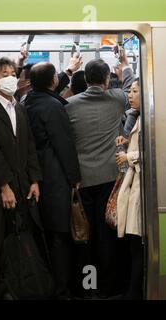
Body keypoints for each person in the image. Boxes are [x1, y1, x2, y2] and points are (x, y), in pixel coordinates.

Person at [65, 47, 135, 298]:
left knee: (84, 234)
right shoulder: (116, 99)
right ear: (106, 79)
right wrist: (125, 63)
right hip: (109, 178)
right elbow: (132, 87)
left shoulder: (69, 105)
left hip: (81, 180)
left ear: (85, 79)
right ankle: (107, 286)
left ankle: (86, 286)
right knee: (107, 234)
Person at [0, 57, 42, 299]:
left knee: (19, 240)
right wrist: (3, 186)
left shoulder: (20, 108)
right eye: (5, 73)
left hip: (22, 186)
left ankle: (16, 286)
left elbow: (29, 146)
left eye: (13, 72)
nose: (11, 77)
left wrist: (34, 179)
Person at [24, 62, 81, 299]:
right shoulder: (53, 107)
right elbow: (63, 144)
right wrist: (74, 177)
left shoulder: (25, 102)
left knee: (42, 233)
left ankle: (43, 283)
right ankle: (61, 289)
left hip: (32, 176)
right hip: (54, 176)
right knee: (59, 234)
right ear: (54, 81)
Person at [115, 79, 144, 300]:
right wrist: (125, 146)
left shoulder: (149, 120)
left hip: (141, 188)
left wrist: (129, 156)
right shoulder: (138, 118)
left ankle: (133, 293)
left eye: (134, 91)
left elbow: (155, 153)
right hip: (134, 184)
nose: (130, 95)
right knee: (134, 244)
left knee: (137, 245)